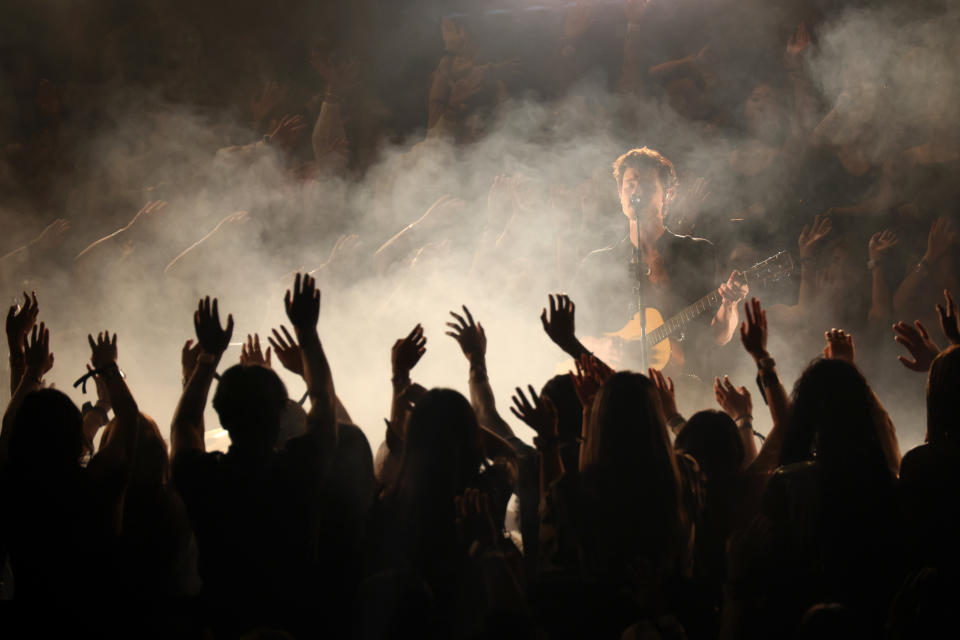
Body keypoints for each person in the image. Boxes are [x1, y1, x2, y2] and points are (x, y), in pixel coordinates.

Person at [571, 147, 747, 378]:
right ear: (620, 194)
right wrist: (602, 347)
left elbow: (719, 336)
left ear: (668, 194)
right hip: (616, 388)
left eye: (647, 185)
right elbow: (572, 331)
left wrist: (730, 305)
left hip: (683, 386)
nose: (637, 192)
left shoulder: (698, 252)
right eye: (630, 185)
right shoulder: (597, 263)